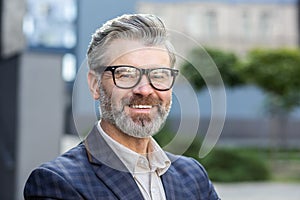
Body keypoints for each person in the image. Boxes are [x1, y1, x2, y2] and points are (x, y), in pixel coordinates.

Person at [24, 14, 220, 200]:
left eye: (159, 75)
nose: (145, 90)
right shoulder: (58, 183)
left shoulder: (194, 177)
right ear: (95, 85)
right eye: (126, 74)